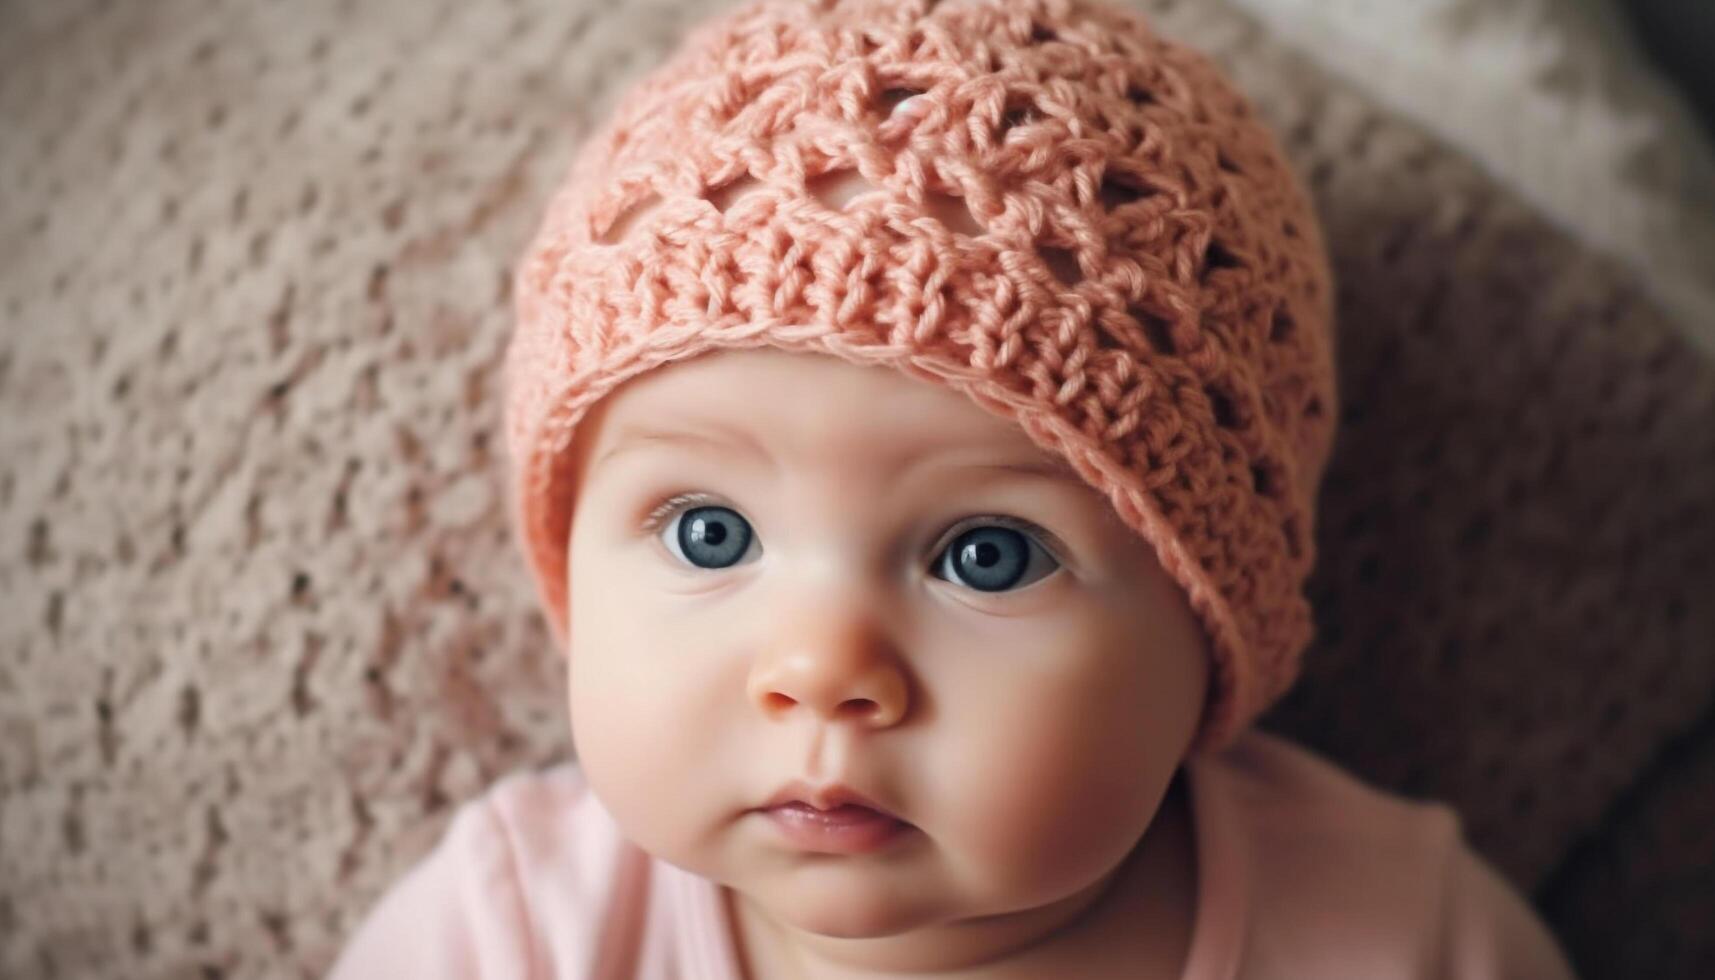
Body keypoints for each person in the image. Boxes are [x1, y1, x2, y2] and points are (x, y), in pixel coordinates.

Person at [328, 0, 1580, 975]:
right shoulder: (512, 938)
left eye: (987, 553)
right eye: (710, 534)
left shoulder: (1404, 942)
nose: (822, 670)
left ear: (1209, 630)